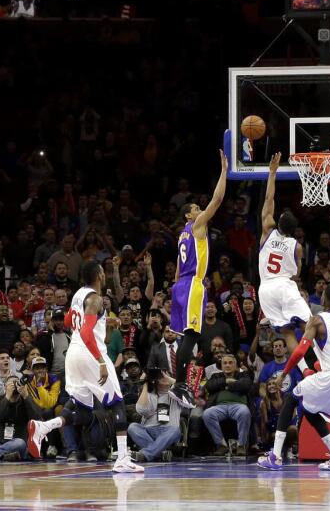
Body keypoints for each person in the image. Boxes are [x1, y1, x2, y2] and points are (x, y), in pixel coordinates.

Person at [27, 261, 142, 473]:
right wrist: (100, 361)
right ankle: (123, 458)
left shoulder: (79, 294)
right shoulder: (96, 299)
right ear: (99, 274)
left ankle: (44, 427)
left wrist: (104, 323)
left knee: (81, 408)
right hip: (90, 354)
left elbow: (71, 321)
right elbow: (88, 333)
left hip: (74, 354)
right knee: (116, 403)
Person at [258, 284, 330, 471]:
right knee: (309, 410)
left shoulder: (316, 321)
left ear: (322, 299)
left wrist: (285, 374)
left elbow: (299, 352)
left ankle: (275, 456)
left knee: (291, 399)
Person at [170, 151, 229, 400]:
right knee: (192, 335)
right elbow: (217, 200)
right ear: (188, 215)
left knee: (185, 336)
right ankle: (180, 384)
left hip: (180, 286)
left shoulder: (182, 234)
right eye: (196, 208)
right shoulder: (196, 226)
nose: (200, 209)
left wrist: (176, 290)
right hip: (193, 283)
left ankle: (179, 383)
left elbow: (175, 267)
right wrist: (225, 171)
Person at [257, 153, 313, 358]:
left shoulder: (267, 232)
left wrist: (272, 173)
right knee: (310, 325)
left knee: (288, 333)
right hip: (283, 284)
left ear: (278, 223)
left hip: (265, 289)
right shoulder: (297, 246)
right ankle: (323, 362)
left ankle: (304, 369)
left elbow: (269, 199)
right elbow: (297, 273)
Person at [129, 371, 193, 462]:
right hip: (148, 431)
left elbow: (190, 391)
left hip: (167, 431)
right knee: (132, 427)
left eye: (166, 374)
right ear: (155, 380)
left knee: (175, 430)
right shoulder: (150, 394)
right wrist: (146, 384)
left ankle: (146, 454)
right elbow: (141, 410)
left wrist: (168, 378)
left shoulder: (176, 394)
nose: (163, 376)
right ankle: (160, 454)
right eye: (160, 375)